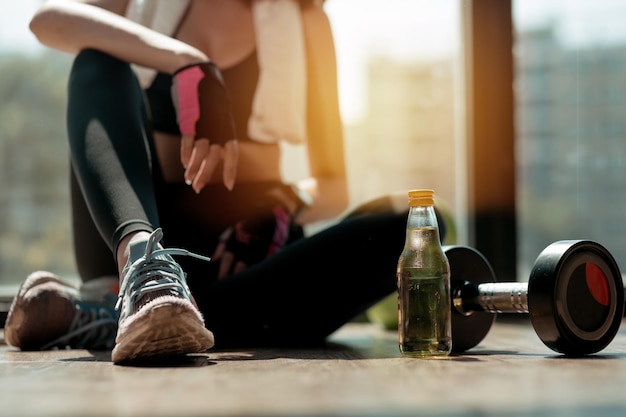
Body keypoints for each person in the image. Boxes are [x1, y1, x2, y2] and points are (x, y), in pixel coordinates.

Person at [4, 0, 444, 364]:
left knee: (412, 223)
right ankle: (146, 279)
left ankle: (110, 316)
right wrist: (188, 62)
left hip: (248, 256)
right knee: (96, 62)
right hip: (142, 233)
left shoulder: (306, 21)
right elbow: (47, 21)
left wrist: (283, 202)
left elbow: (333, 188)